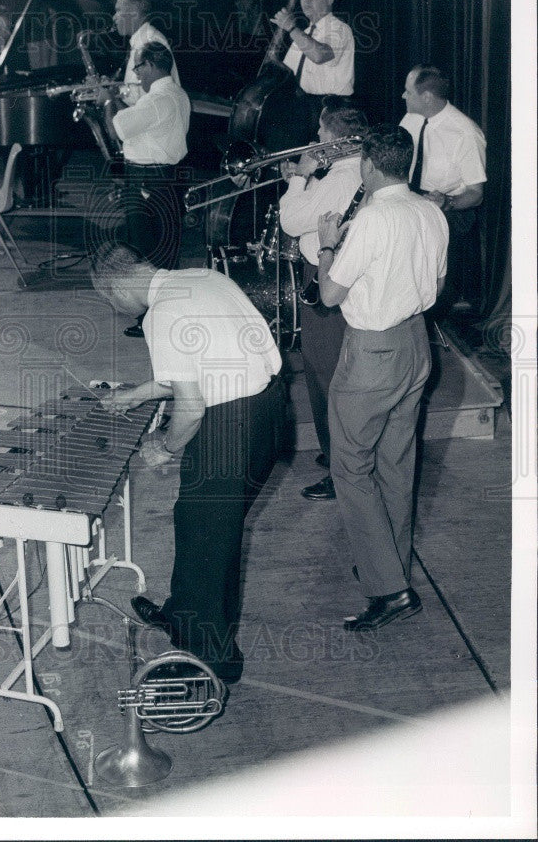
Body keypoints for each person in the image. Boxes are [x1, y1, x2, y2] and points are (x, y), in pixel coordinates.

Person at [90, 243, 287, 684]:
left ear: (116, 286)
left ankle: (209, 663)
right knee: (204, 522)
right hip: (271, 410)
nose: (119, 312)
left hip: (231, 425)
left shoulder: (162, 313)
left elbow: (192, 407)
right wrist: (136, 395)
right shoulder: (201, 278)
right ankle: (181, 613)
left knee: (206, 539)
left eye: (111, 303)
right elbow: (193, 368)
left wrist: (164, 446)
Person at [316, 125, 448, 631]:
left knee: (351, 468)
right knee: (397, 461)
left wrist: (329, 246)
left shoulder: (371, 219)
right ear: (408, 165)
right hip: (417, 344)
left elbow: (329, 296)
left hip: (373, 353)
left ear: (370, 166)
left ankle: (390, 590)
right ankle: (390, 566)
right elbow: (435, 286)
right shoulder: (431, 211)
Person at [278, 97, 368, 500]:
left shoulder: (338, 178)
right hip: (344, 275)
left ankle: (339, 467)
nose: (316, 137)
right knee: (330, 372)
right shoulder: (357, 171)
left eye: (320, 131)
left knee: (323, 372)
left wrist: (300, 178)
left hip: (325, 275)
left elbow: (293, 222)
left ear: (334, 137)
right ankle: (338, 453)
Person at [97, 41, 190, 337]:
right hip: (167, 178)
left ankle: (152, 321)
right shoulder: (176, 94)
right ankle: (165, 317)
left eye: (138, 67)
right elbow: (139, 121)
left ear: (150, 65)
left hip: (147, 180)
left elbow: (117, 129)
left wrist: (108, 99)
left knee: (146, 251)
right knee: (165, 248)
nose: (136, 73)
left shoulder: (156, 101)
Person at [399, 65, 486, 313]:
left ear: (426, 97)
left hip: (449, 212)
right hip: (412, 201)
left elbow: (475, 194)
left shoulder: (466, 133)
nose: (403, 97)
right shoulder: (411, 118)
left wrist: (446, 202)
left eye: (408, 92)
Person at [270, 0, 354, 133]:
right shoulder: (304, 34)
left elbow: (319, 55)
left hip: (331, 112)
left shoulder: (339, 29)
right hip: (303, 108)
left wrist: (291, 28)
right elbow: (285, 75)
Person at [111, 0, 180, 106]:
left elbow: (140, 97)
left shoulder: (149, 42)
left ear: (134, 13)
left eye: (118, 11)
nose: (114, 17)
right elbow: (136, 89)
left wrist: (110, 93)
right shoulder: (141, 40)